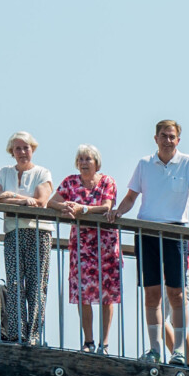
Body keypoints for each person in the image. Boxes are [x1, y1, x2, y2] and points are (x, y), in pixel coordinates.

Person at [115, 119, 189, 363]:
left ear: (178, 139)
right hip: (146, 231)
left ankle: (177, 350)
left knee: (177, 294)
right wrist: (116, 212)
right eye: (163, 136)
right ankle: (155, 349)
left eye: (172, 136)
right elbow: (131, 196)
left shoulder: (188, 162)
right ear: (155, 138)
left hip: (175, 231)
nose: (168, 140)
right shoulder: (144, 164)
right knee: (151, 294)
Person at [0, 130, 56, 346]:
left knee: (36, 285)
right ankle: (16, 333)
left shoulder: (42, 172)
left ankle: (34, 335)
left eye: (25, 147)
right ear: (12, 152)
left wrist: (11, 198)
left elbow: (41, 200)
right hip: (12, 232)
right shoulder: (4, 172)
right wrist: (22, 202)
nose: (22, 152)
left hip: (39, 232)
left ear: (32, 149)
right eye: (17, 148)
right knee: (15, 282)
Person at [56, 146, 120, 351]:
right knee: (84, 293)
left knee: (106, 294)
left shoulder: (107, 181)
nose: (84, 162)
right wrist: (64, 206)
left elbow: (106, 207)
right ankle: (89, 341)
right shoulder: (70, 182)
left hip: (105, 245)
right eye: (80, 159)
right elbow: (52, 202)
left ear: (96, 163)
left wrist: (83, 209)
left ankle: (105, 342)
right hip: (81, 244)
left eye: (88, 159)